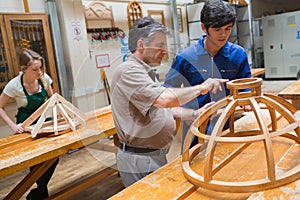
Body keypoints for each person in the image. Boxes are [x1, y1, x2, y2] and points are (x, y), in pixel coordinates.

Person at [110, 16, 228, 187]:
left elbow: (160, 109)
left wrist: (195, 114)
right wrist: (203, 87)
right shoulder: (128, 72)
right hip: (140, 159)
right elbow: (165, 100)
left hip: (152, 154)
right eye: (160, 46)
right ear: (141, 45)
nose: (165, 51)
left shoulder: (145, 72)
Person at [164, 0, 252, 149]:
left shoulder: (238, 54)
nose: (223, 34)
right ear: (204, 27)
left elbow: (246, 87)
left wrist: (246, 98)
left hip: (227, 125)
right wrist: (189, 113)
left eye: (228, 28)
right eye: (217, 29)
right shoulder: (185, 57)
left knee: (226, 162)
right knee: (193, 162)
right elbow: (167, 94)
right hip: (194, 126)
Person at [0, 49, 59, 200]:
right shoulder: (14, 85)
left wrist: (57, 116)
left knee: (54, 156)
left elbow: (53, 100)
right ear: (24, 69)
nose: (39, 72)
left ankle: (40, 188)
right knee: (35, 159)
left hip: (44, 121)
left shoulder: (44, 78)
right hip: (26, 124)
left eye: (40, 68)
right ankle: (40, 190)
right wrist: (13, 126)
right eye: (35, 69)